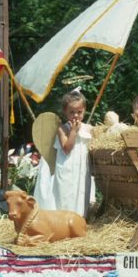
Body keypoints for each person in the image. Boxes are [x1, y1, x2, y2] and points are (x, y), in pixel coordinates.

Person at [32, 88, 95, 217]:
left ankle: (78, 217)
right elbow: (66, 148)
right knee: (66, 191)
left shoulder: (88, 129)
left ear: (85, 111)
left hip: (81, 167)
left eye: (79, 112)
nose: (76, 115)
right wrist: (73, 132)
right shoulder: (63, 129)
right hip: (67, 165)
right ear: (65, 112)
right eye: (72, 112)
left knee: (80, 190)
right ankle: (62, 218)